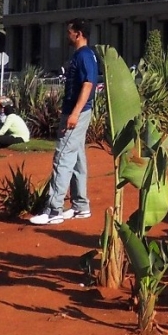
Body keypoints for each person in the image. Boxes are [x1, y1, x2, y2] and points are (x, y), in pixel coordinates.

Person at [30, 19, 98, 225]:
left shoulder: (84, 55)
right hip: (75, 111)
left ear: (78, 34)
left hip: (77, 113)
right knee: (77, 158)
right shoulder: (84, 55)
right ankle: (80, 206)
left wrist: (74, 113)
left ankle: (54, 210)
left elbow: (88, 84)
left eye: (69, 32)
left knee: (63, 157)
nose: (66, 35)